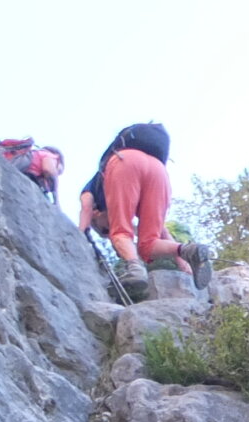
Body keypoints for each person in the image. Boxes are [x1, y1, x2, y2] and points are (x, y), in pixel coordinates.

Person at [78, 123, 211, 295]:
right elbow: (163, 231)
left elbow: (85, 208)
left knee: (120, 234)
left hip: (125, 162)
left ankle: (134, 269)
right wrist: (184, 262)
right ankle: (188, 250)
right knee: (148, 244)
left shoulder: (91, 191)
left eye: (103, 229)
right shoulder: (114, 191)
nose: (107, 230)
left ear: (97, 215)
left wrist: (80, 234)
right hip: (159, 171)